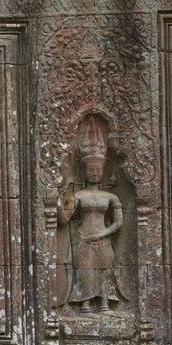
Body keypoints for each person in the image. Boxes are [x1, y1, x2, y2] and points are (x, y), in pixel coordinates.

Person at [57, 116, 123, 313]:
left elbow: (119, 222)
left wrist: (103, 234)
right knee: (84, 273)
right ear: (83, 170)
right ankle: (85, 305)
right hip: (83, 240)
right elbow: (63, 220)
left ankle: (104, 304)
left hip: (103, 239)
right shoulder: (78, 196)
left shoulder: (110, 196)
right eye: (90, 169)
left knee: (106, 271)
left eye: (98, 169)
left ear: (103, 170)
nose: (94, 172)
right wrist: (55, 201)